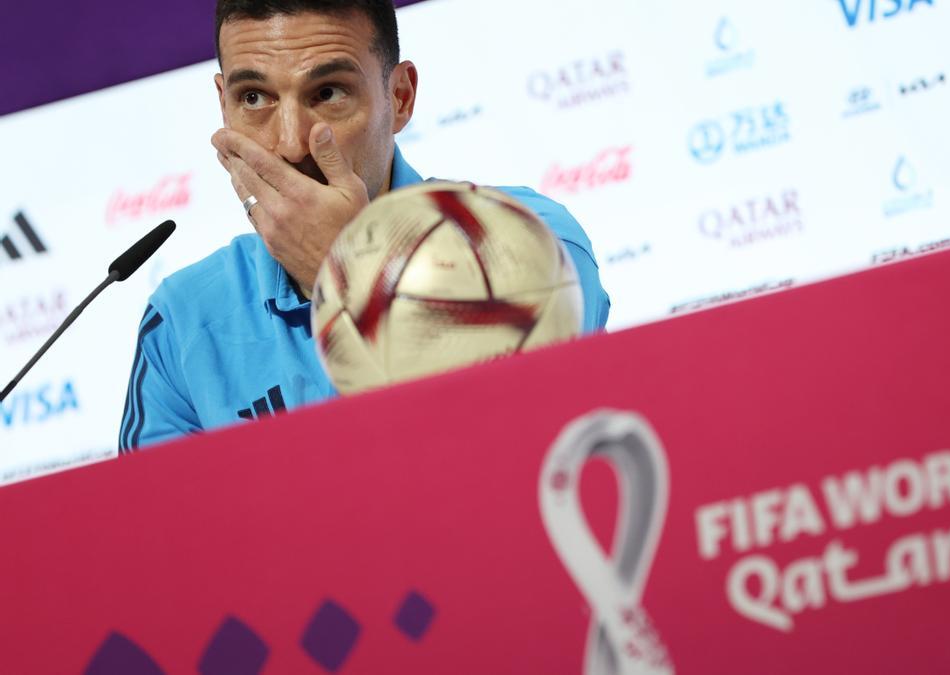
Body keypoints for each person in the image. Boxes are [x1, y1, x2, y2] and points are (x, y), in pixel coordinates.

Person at [118, 0, 610, 452]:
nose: (291, 144)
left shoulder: (531, 239)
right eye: (253, 98)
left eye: (328, 92)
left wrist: (342, 269)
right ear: (223, 104)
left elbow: (512, 452)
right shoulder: (184, 318)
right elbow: (156, 536)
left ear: (400, 98)